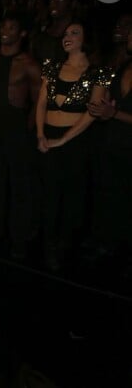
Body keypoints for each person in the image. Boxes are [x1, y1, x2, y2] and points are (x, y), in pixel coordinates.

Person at [34, 21, 113, 272]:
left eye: (75, 32)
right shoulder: (52, 66)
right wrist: (40, 135)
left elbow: (92, 113)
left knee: (72, 197)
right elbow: (40, 104)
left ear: (86, 39)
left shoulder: (97, 72)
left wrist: (63, 140)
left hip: (77, 141)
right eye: (66, 33)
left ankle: (64, 247)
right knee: (49, 195)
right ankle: (48, 248)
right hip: (48, 137)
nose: (68, 36)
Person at [0, 11, 41, 260]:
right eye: (3, 25)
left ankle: (19, 237)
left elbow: (38, 102)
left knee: (20, 185)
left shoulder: (29, 65)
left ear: (21, 33)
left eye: (11, 27)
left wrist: (28, 131)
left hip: (18, 130)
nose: (5, 30)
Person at [87, 25, 132, 275]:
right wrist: (103, 113)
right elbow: (109, 108)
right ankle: (106, 244)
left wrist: (114, 113)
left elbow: (116, 111)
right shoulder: (123, 68)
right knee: (109, 197)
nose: (128, 36)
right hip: (112, 145)